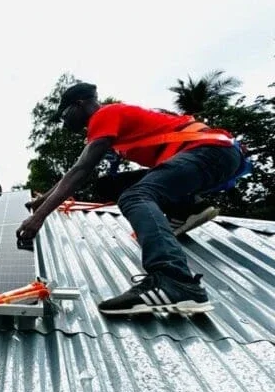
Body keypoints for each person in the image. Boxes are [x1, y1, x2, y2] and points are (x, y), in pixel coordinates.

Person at [16, 82, 248, 315]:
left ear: (81, 104)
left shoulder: (104, 114)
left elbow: (80, 170)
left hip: (208, 151)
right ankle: (186, 209)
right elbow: (79, 171)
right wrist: (43, 199)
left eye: (65, 114)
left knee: (135, 196)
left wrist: (39, 216)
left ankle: (174, 281)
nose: (64, 121)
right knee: (107, 186)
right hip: (209, 155)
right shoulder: (112, 121)